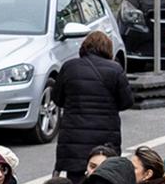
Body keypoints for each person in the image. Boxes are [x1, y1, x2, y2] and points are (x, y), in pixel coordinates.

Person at [52, 31, 131, 170]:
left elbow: (57, 98)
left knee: (76, 178)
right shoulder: (115, 70)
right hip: (105, 136)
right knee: (104, 175)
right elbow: (127, 101)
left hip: (74, 138)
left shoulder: (69, 67)